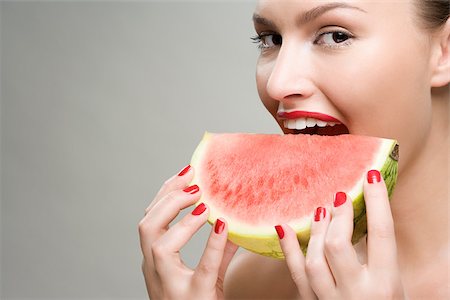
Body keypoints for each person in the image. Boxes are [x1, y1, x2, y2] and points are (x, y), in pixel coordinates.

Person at [138, 0, 449, 299]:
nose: (278, 84)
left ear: (444, 50)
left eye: (336, 36)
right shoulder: (251, 284)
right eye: (271, 39)